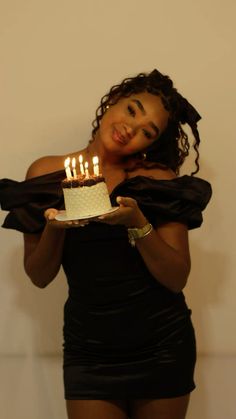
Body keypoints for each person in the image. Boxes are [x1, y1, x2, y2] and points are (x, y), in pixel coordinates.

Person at [0, 69, 212, 419]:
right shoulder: (45, 174)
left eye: (148, 131)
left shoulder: (156, 181)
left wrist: (138, 222)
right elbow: (39, 275)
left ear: (152, 144)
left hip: (162, 345)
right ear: (113, 102)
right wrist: (57, 224)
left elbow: (176, 277)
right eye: (132, 110)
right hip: (90, 349)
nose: (132, 129)